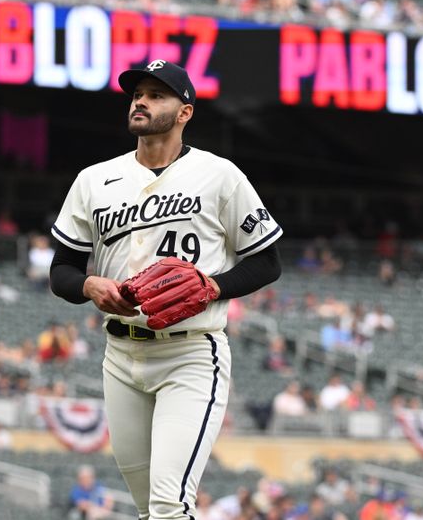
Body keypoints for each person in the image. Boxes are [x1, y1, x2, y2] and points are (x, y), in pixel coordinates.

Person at [49, 59, 282, 520]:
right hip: (119, 358)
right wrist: (88, 285)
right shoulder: (94, 180)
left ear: (185, 112)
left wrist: (212, 285)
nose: (141, 101)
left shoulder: (220, 175)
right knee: (147, 510)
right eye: (137, 93)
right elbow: (63, 271)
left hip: (191, 354)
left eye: (157, 95)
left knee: (169, 505)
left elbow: (267, 261)